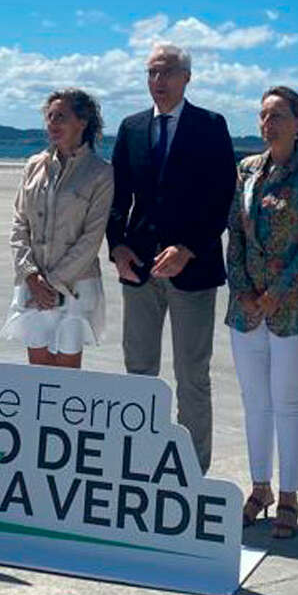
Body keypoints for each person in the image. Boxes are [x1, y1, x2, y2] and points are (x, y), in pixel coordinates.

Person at [106, 43, 235, 474]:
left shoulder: (211, 126)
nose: (157, 82)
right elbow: (117, 197)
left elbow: (223, 198)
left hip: (192, 271)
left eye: (166, 73)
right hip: (138, 269)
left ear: (186, 78)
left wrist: (189, 248)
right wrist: (117, 246)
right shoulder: (131, 127)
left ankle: (191, 472)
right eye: (151, 73)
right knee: (138, 371)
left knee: (192, 377)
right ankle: (138, 462)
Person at [226, 86, 298, 538]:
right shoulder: (248, 170)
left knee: (287, 402)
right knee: (255, 403)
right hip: (246, 306)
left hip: (297, 308)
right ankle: (259, 488)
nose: (268, 123)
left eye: (277, 116)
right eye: (263, 115)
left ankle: (289, 496)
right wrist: (245, 290)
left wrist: (278, 293)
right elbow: (234, 234)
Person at [0, 89, 113, 368]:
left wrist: (51, 283)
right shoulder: (34, 166)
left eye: (60, 117)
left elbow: (91, 238)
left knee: (66, 375)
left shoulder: (100, 172)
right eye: (49, 117)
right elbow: (19, 223)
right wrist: (30, 275)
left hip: (75, 286)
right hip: (33, 284)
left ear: (82, 122)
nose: (52, 124)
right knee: (37, 370)